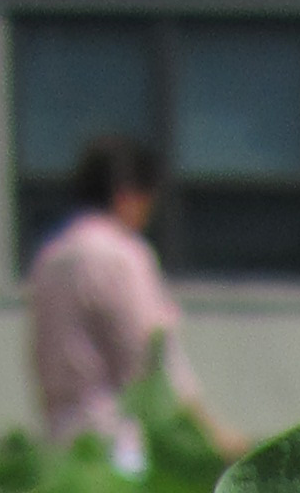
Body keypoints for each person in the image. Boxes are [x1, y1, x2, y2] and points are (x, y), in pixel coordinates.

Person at [26, 136, 244, 472]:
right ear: (127, 195)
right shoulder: (121, 255)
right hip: (118, 445)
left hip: (60, 444)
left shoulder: (50, 258)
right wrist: (211, 433)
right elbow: (152, 358)